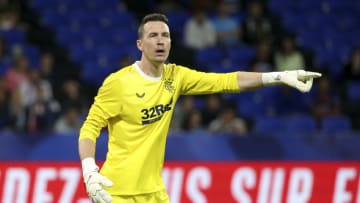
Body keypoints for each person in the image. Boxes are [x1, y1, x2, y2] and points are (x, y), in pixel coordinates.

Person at [78, 13, 321, 203]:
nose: (161, 41)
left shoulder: (176, 76)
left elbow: (226, 81)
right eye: (153, 36)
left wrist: (277, 76)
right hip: (116, 191)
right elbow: (90, 128)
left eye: (165, 35)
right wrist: (89, 170)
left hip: (153, 193)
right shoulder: (118, 83)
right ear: (140, 44)